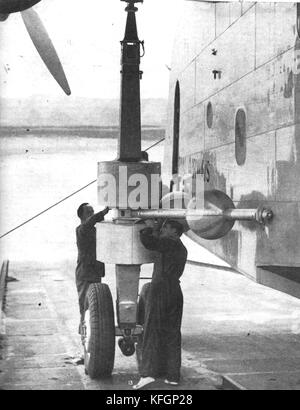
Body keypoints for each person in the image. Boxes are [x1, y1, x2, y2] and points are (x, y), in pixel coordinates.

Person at [133, 219, 188, 390]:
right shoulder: (181, 247)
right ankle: (173, 376)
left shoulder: (168, 242)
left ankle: (147, 374)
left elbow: (148, 242)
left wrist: (149, 228)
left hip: (160, 290)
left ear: (174, 231)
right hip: (175, 291)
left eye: (166, 227)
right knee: (173, 334)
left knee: (152, 330)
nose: (163, 229)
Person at [76, 203, 110, 332]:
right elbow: (91, 221)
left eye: (92, 211)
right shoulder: (81, 229)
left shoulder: (94, 230)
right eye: (89, 212)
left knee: (95, 306)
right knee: (85, 305)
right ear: (82, 216)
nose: (91, 214)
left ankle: (90, 333)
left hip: (94, 272)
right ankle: (83, 329)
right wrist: (104, 212)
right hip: (85, 274)